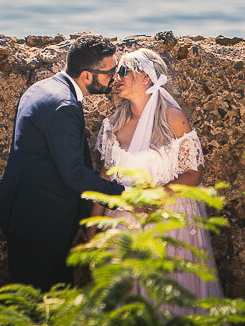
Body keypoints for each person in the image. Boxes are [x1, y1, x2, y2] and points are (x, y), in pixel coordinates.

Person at [0, 35, 127, 290]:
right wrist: (123, 195)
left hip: (28, 215)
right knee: (41, 304)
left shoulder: (42, 88)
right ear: (87, 76)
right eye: (110, 72)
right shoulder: (64, 105)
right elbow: (73, 173)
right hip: (41, 224)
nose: (115, 78)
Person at [94, 47, 222, 302]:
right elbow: (105, 177)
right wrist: (92, 226)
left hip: (168, 219)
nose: (115, 79)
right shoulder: (113, 124)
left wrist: (153, 197)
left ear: (146, 77)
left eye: (123, 72)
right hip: (122, 222)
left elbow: (194, 173)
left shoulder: (173, 119)